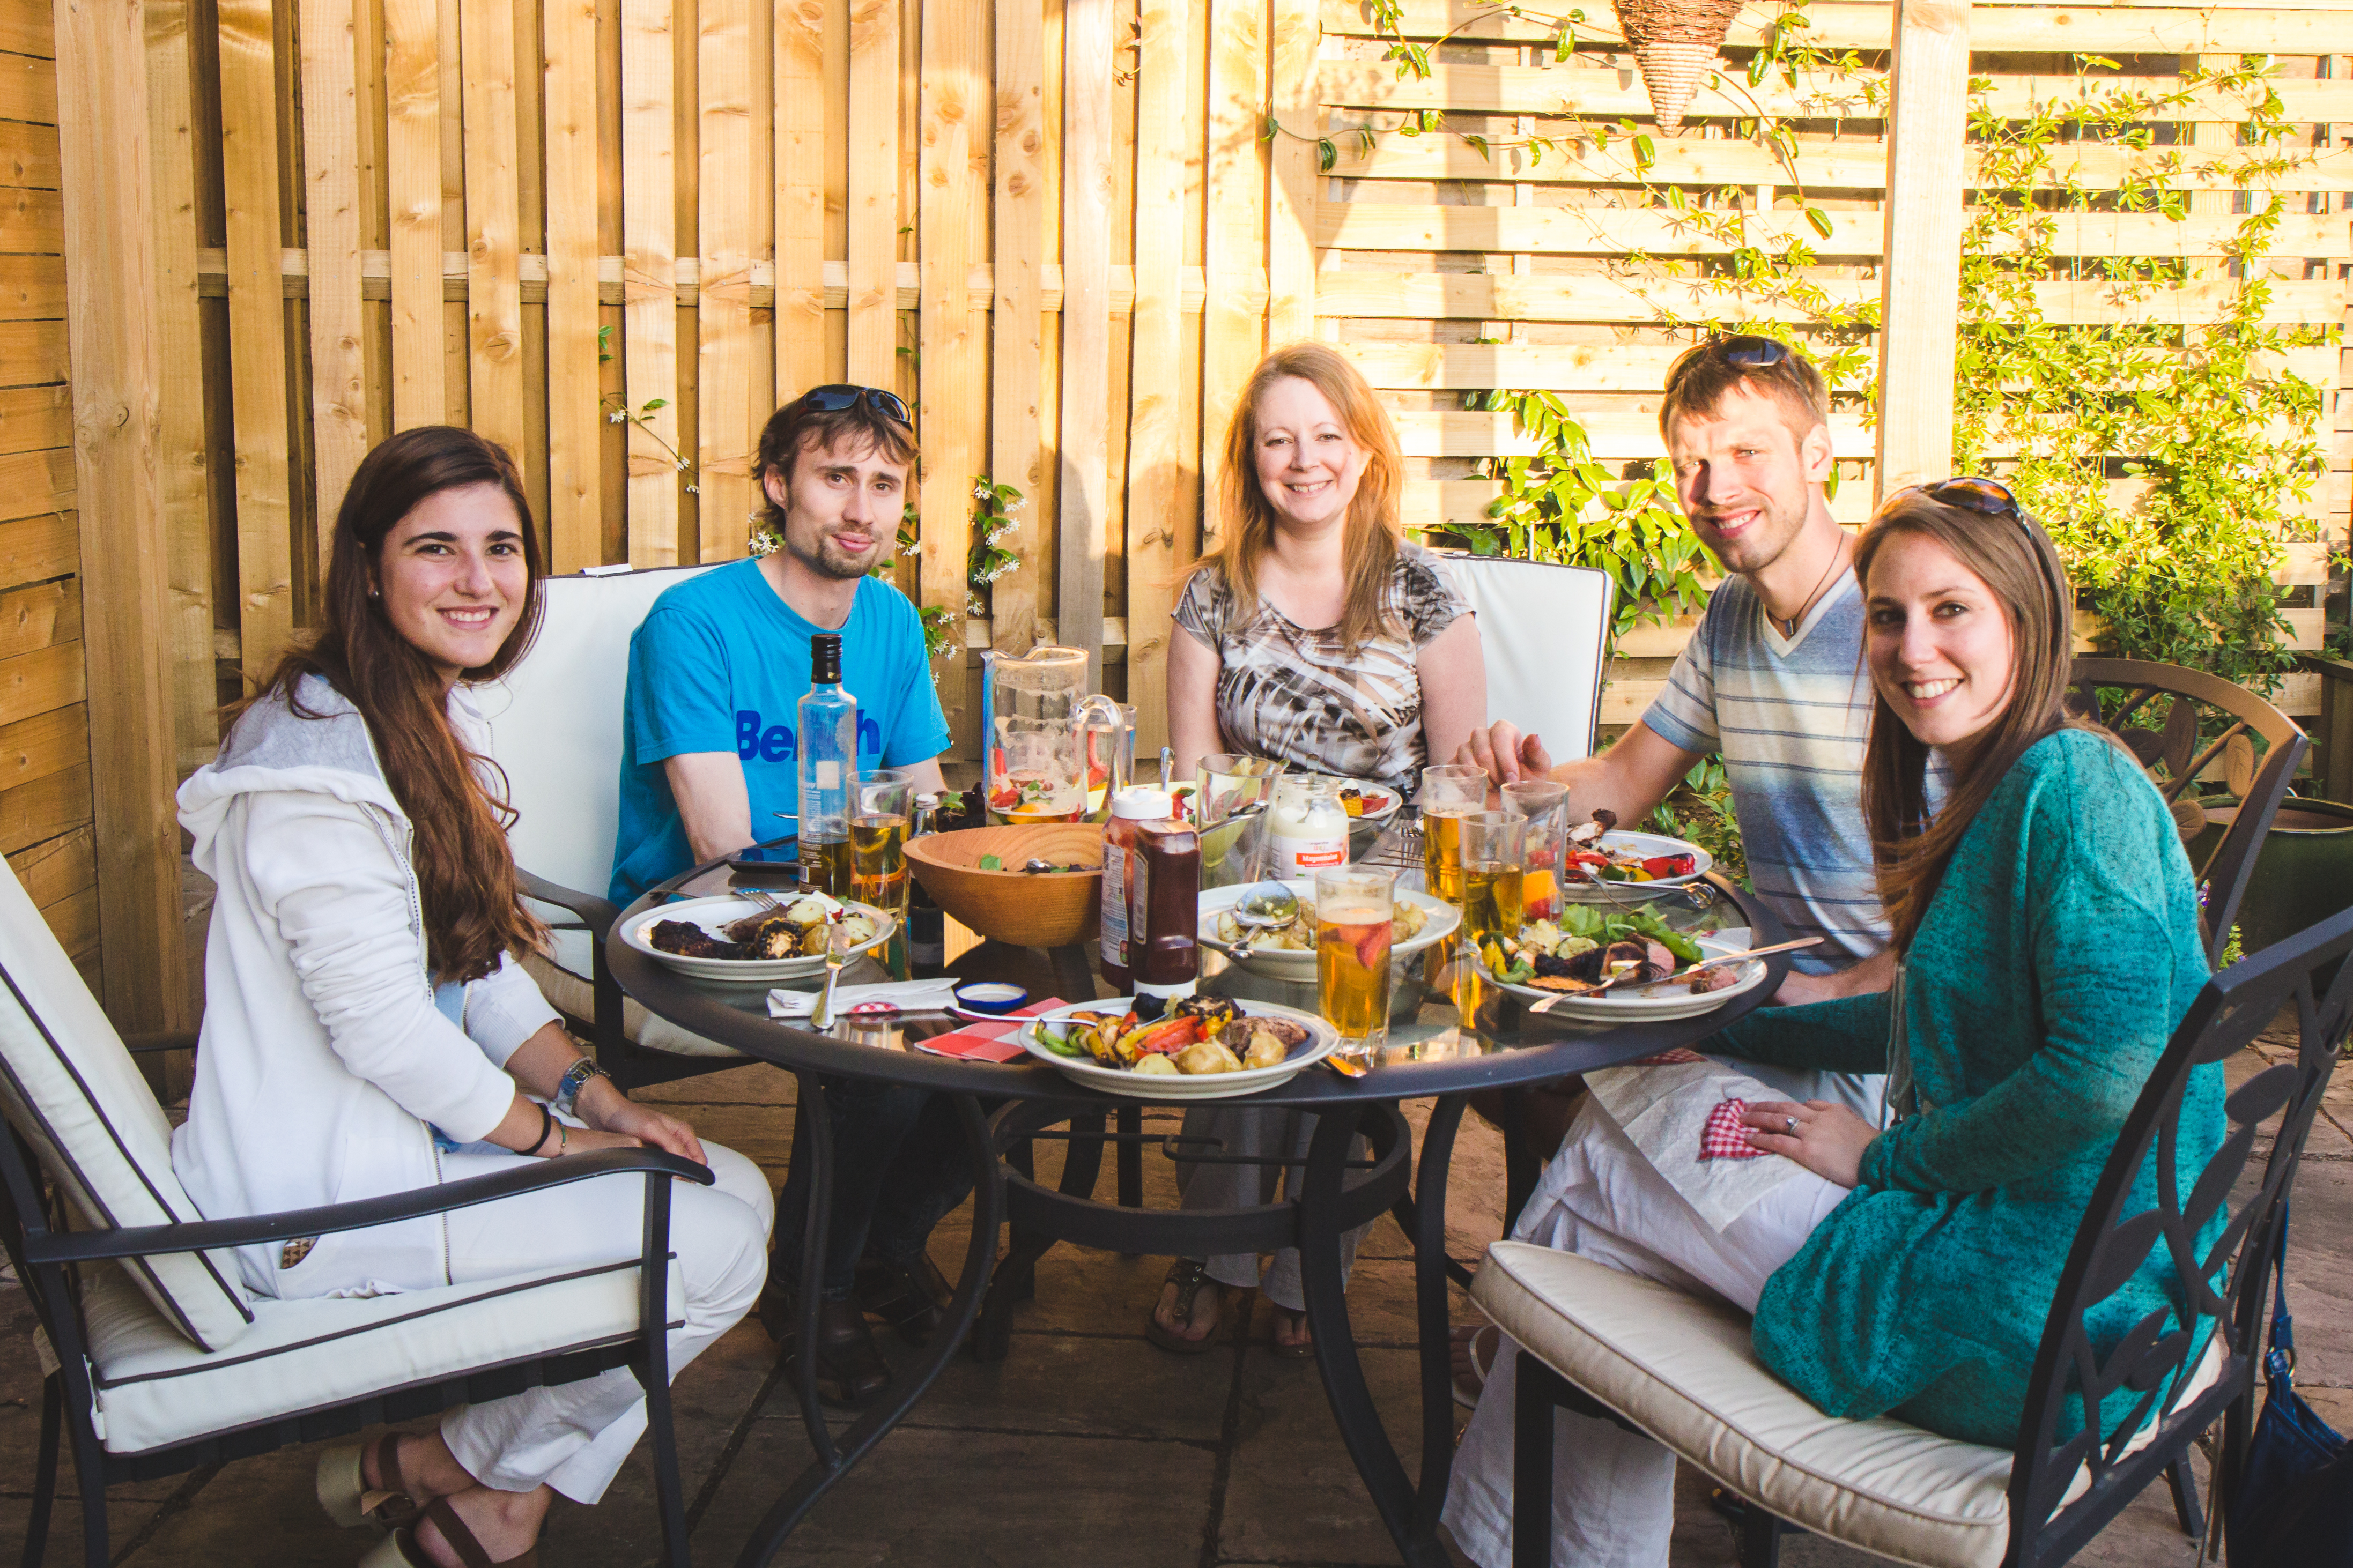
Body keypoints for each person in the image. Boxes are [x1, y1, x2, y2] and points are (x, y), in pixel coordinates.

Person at [1440, 481, 2225, 1567]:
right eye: (1889, 617)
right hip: (2091, 1286)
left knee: (1589, 1172)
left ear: (2025, 618)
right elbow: (1927, 1015)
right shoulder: (2016, 783)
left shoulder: (2074, 786)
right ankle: (1511, 1535)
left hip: (2027, 1318)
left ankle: (1502, 1541)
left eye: (1951, 610)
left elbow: (2101, 1076)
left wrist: (1886, 1156)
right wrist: (1728, 1028)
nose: (1911, 648)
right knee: (1620, 1165)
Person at [173, 426, 772, 1568]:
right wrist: (550, 1142)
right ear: (367, 568)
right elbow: (390, 1030)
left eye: (501, 548)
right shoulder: (313, 769)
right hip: (316, 1206)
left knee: (724, 1185)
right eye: (435, 548)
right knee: (711, 1247)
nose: (477, 579)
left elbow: (475, 967)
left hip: (397, 1155)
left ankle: (453, 1471)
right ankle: (475, 1486)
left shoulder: (405, 710)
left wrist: (598, 1100)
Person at [608, 384, 962, 1409]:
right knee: (885, 1052)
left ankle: (886, 1242)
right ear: (779, 485)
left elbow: (928, 811)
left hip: (864, 919)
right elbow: (726, 848)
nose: (861, 506)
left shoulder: (890, 623)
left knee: (1033, 998)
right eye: (835, 475)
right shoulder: (696, 622)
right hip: (700, 931)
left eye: (885, 484)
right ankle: (817, 1286)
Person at [1151, 344, 1486, 1356]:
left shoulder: (1426, 590)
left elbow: (1460, 781)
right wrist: (1241, 860)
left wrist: (1394, 891)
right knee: (1235, 990)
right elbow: (1200, 779)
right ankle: (1215, 1247)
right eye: (1278, 440)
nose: (1304, 460)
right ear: (1251, 460)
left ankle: (1309, 1267)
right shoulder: (1212, 595)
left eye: (1326, 436)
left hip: (1387, 877)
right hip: (1245, 867)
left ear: (1365, 449)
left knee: (1335, 1003)